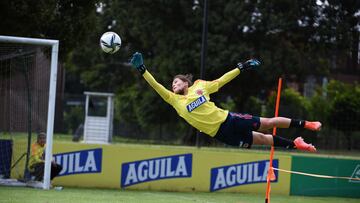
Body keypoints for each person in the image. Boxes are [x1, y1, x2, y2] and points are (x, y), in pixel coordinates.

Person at [130, 52, 321, 152]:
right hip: (221, 134)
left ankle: (307, 124)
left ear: (186, 82)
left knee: (268, 124)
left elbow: (221, 80)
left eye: (177, 81)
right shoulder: (173, 100)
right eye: (172, 83)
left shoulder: (200, 86)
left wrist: (241, 67)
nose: (173, 84)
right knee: (263, 140)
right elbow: (155, 85)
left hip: (229, 120)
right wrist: (143, 70)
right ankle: (295, 144)